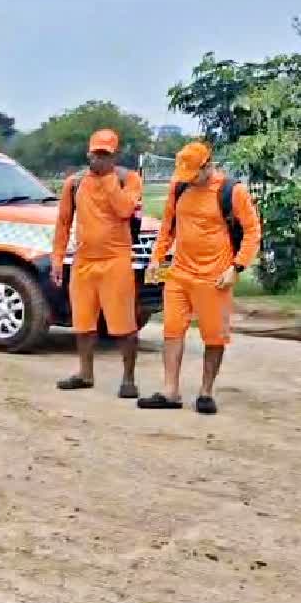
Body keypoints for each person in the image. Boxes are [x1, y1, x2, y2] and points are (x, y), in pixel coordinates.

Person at [141, 141, 260, 414]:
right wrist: (156, 259)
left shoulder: (232, 191)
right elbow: (168, 226)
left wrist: (237, 267)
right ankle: (170, 391)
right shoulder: (179, 187)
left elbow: (252, 232)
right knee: (171, 331)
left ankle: (206, 393)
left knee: (214, 337)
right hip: (179, 273)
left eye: (195, 174)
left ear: (208, 166)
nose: (190, 180)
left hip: (214, 276)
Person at [50, 129, 144, 398]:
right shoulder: (75, 183)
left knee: (123, 324)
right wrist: (58, 258)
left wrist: (110, 181)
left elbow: (125, 210)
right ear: (88, 153)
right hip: (83, 261)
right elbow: (64, 223)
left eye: (105, 155)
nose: (99, 160)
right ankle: (85, 373)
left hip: (116, 260)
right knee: (83, 322)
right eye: (96, 154)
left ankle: (128, 379)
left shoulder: (129, 179)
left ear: (115, 155)